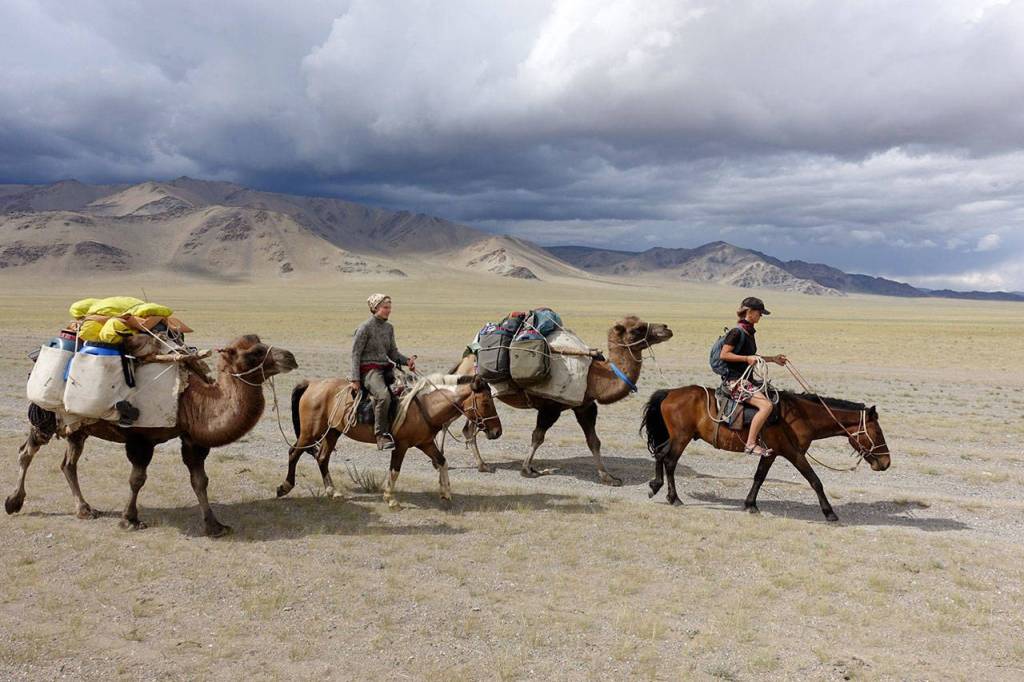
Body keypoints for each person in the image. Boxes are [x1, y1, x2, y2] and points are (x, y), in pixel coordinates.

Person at [719, 297, 788, 456]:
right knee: (766, 406)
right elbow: (724, 354)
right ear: (749, 312)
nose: (761, 316)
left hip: (746, 379)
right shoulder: (736, 332)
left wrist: (773, 359)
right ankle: (750, 444)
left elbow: (752, 356)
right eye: (759, 313)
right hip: (735, 381)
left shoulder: (748, 332)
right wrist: (746, 359)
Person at [349, 294, 417, 450]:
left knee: (409, 390)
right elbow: (355, 354)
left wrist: (407, 361)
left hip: (386, 367)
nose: (389, 311)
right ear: (375, 308)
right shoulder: (365, 328)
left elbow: (393, 353)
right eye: (385, 307)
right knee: (383, 396)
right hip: (369, 370)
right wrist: (355, 379)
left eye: (390, 308)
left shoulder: (389, 328)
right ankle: (380, 435)